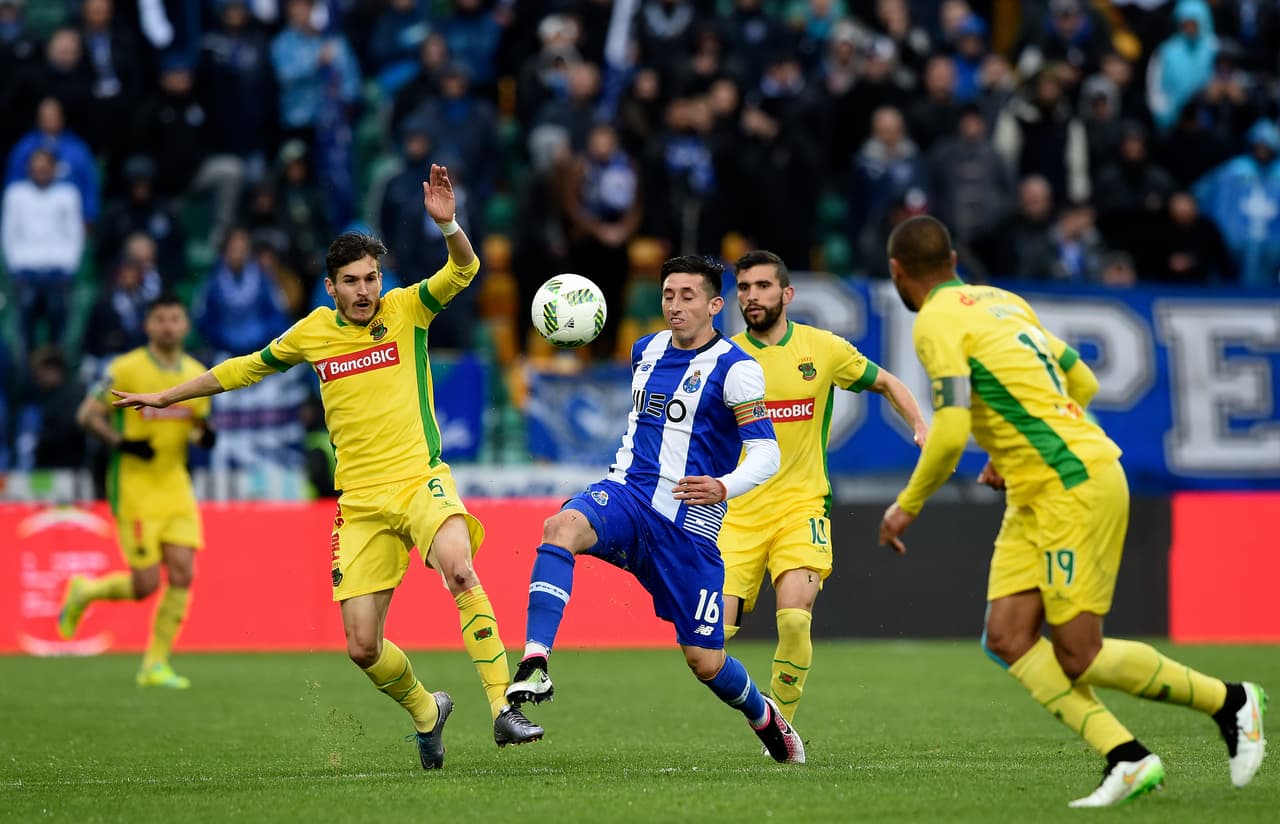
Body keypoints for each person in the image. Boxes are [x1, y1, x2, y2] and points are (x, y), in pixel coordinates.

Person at [107, 165, 543, 769]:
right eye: (351, 282)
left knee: (460, 569)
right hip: (359, 501)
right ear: (330, 287)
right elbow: (245, 368)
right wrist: (166, 396)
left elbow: (465, 271)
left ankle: (502, 707)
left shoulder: (407, 310)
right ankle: (427, 710)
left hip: (421, 480)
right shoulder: (314, 332)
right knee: (362, 646)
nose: (365, 291)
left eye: (371, 278)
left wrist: (448, 225)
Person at [877, 215, 1267, 807]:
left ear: (896, 271)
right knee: (1007, 637)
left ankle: (1231, 701)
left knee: (1079, 653)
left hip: (1071, 482)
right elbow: (1081, 379)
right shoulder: (1002, 301)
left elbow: (951, 430)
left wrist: (907, 507)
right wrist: (1011, 451)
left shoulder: (934, 320)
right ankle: (1127, 757)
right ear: (954, 260)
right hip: (1036, 487)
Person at [504, 255, 806, 764]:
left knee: (706, 662)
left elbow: (767, 453)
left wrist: (724, 486)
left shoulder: (737, 369)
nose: (675, 305)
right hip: (627, 495)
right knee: (560, 527)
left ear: (715, 305)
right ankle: (536, 661)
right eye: (668, 294)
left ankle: (764, 716)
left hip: (687, 527)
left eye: (688, 296)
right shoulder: (645, 350)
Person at [719, 250, 929, 729]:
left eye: (763, 286)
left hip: (802, 506)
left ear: (787, 294)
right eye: (744, 287)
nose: (752, 296)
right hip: (737, 515)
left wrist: (920, 425)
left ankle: (779, 727)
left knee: (795, 618)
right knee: (710, 639)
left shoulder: (823, 349)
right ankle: (758, 706)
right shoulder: (724, 358)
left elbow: (887, 383)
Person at [60, 296, 215, 688]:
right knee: (146, 585)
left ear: (186, 325)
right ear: (148, 325)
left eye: (175, 319)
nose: (168, 326)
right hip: (135, 487)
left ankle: (155, 665)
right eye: (160, 319)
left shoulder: (196, 375)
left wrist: (205, 436)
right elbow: (87, 414)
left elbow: (196, 426)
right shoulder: (124, 369)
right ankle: (85, 592)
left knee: (183, 573)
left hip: (175, 484)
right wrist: (122, 444)